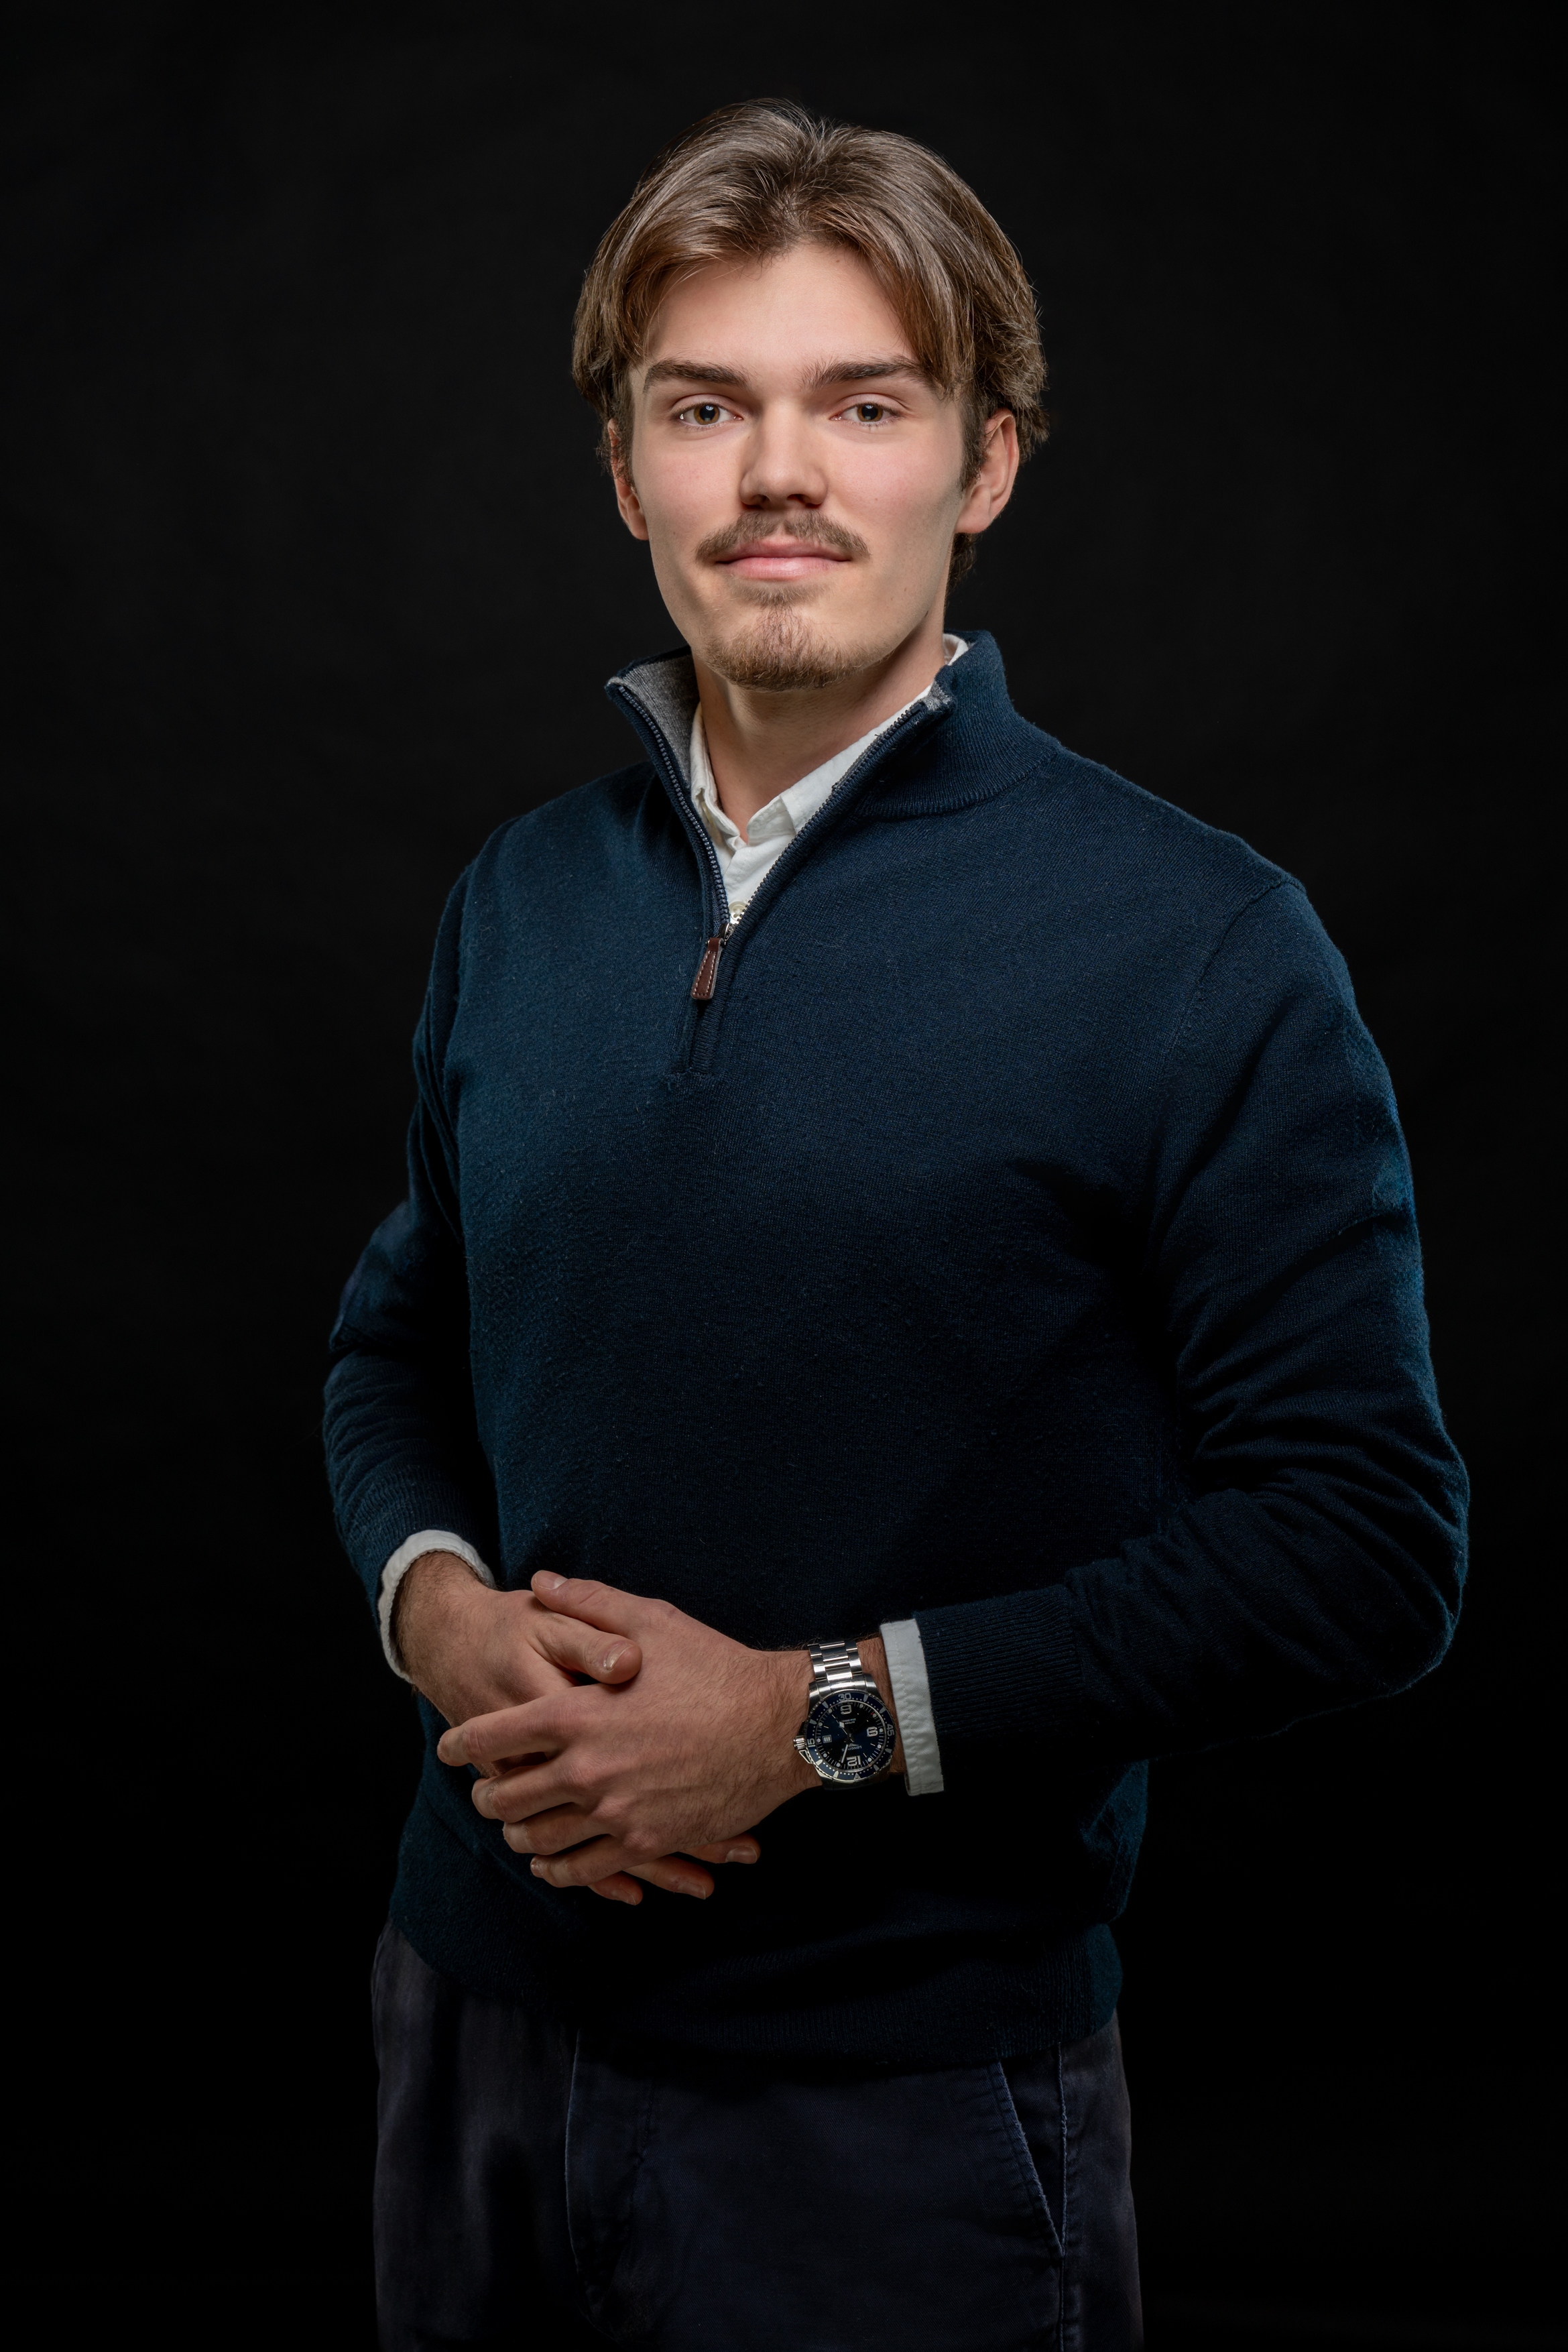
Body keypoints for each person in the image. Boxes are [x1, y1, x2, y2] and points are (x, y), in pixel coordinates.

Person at [324, 99, 1467, 2352]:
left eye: (862, 401)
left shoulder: (1199, 943)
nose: (778, 473)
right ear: (624, 467)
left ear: (987, 460)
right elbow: (395, 1346)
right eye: (705, 405)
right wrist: (433, 1609)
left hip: (902, 2102)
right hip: (465, 2011)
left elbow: (1363, 1538)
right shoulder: (522, 897)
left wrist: (812, 1720)